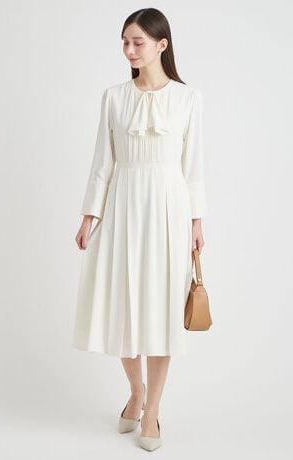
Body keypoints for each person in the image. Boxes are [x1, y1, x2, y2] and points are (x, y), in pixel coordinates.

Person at [72, 8, 207, 451]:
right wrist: (90, 215)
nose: (129, 50)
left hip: (169, 209)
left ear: (161, 45)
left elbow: (193, 168)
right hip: (123, 205)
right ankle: (135, 392)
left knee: (162, 311)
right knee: (124, 308)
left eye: (138, 42)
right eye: (125, 42)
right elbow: (103, 161)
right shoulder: (114, 97)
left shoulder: (188, 99)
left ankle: (152, 413)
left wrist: (196, 222)